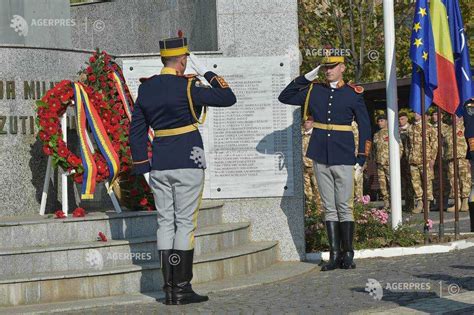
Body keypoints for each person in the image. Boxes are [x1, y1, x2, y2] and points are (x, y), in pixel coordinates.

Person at [129, 36, 237, 305]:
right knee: (185, 224)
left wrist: (142, 164)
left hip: (160, 164)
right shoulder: (188, 86)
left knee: (165, 223)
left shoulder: (147, 88)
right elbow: (228, 97)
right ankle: (182, 288)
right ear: (183, 60)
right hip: (189, 160)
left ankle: (169, 288)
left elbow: (137, 130)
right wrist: (207, 71)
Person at [278, 53, 371, 271]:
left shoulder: (353, 94)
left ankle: (348, 254)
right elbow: (284, 96)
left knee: (345, 206)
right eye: (325, 68)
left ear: (343, 68)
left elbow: (365, 126)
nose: (328, 71)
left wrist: (362, 156)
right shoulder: (314, 90)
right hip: (320, 154)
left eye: (333, 67)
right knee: (329, 207)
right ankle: (334, 255)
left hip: (344, 155)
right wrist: (306, 77)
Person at [407, 113, 438, 213]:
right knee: (415, 182)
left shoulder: (428, 127)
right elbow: (408, 145)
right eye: (414, 112)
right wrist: (409, 156)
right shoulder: (410, 128)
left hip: (425, 159)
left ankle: (427, 203)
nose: (415, 114)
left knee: (427, 181)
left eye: (418, 112)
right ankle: (420, 202)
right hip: (413, 160)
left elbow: (434, 144)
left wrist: (432, 158)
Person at [373, 114, 403, 209]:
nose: (380, 123)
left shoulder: (392, 133)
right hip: (380, 163)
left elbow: (400, 147)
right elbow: (374, 149)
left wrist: (396, 160)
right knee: (382, 185)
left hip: (390, 163)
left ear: (386, 121)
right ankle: (386, 202)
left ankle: (394, 203)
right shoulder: (376, 135)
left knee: (392, 183)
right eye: (379, 121)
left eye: (382, 121)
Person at [442, 116, 471, 212]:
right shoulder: (448, 128)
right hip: (450, 158)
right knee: (453, 180)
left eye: (457, 115)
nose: (454, 117)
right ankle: (457, 201)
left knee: (464, 179)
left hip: (463, 157)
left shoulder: (466, 126)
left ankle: (465, 202)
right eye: (452, 115)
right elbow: (444, 145)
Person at [302, 116, 322, 211]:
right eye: (305, 122)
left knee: (317, 189)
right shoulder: (301, 135)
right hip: (303, 166)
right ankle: (309, 211)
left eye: (308, 122)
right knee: (307, 190)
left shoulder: (316, 135)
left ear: (313, 123)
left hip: (314, 165)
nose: (306, 124)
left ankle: (319, 211)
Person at [399, 112, 413, 211]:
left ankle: (411, 203)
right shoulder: (397, 130)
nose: (401, 121)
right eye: (399, 119)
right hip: (400, 159)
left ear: (407, 119)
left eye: (403, 119)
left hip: (410, 158)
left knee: (411, 182)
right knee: (403, 182)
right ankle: (407, 203)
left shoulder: (411, 129)